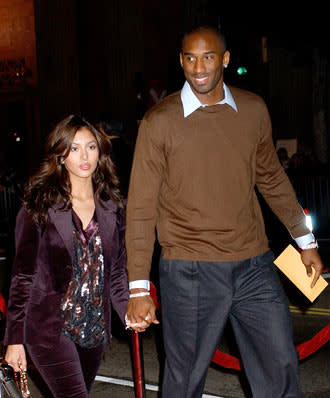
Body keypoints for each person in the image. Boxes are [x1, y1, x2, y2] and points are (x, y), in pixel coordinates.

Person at [125, 25, 324, 398]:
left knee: (281, 368)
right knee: (183, 383)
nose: (197, 67)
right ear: (180, 61)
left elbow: (272, 179)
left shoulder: (252, 110)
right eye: (189, 58)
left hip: (254, 267)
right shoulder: (160, 122)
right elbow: (140, 208)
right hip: (189, 269)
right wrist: (138, 287)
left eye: (208, 56)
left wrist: (305, 239)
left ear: (226, 60)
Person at [4, 115, 129, 397]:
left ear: (100, 152)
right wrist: (15, 339)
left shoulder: (114, 207)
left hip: (94, 329)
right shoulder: (38, 205)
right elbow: (22, 277)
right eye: (74, 148)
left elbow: (117, 273)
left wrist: (130, 312)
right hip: (49, 328)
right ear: (61, 155)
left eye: (91, 147)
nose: (84, 156)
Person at [97, 119, 133, 198]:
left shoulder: (105, 150)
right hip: (130, 192)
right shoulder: (129, 146)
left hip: (113, 195)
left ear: (102, 130)